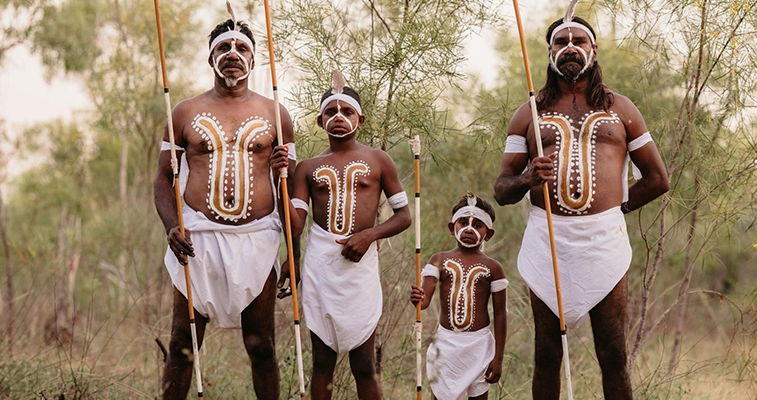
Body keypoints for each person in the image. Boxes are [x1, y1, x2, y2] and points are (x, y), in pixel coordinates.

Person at [493, 15, 670, 400]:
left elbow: (658, 179)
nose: (570, 47)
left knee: (612, 353)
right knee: (546, 353)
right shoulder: (529, 114)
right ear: (551, 52)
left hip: (603, 241)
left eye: (579, 41)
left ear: (592, 50)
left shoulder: (622, 109)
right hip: (548, 239)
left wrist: (616, 210)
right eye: (561, 42)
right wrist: (526, 180)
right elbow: (502, 190)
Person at [153, 16, 295, 399]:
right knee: (183, 344)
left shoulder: (276, 115)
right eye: (223, 48)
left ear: (254, 60)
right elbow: (163, 179)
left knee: (261, 345)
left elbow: (289, 186)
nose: (232, 54)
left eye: (242, 48)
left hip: (257, 240)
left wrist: (294, 255)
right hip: (196, 242)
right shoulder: (182, 112)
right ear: (210, 58)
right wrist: (172, 226)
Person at [278, 71, 411, 399]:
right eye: (330, 112)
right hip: (322, 267)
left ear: (360, 119)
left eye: (346, 111)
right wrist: (277, 176)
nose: (338, 117)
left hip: (359, 270)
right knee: (322, 362)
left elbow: (404, 216)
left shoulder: (379, 160)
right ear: (320, 121)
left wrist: (369, 237)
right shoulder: (307, 168)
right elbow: (295, 226)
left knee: (363, 364)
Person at [410, 193, 508, 400]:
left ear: (488, 234)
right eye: (463, 222)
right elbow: (425, 301)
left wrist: (498, 357)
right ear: (451, 227)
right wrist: (418, 297)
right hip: (446, 345)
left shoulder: (493, 268)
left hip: (479, 346)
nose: (469, 229)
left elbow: (500, 314)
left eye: (477, 225)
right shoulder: (439, 259)